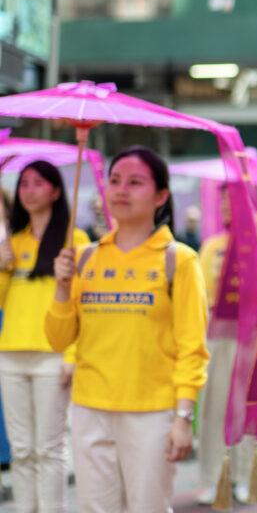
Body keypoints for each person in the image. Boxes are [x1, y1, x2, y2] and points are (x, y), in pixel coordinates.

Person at [45, 146, 209, 512]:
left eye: (135, 183)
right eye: (115, 181)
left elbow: (192, 347)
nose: (121, 190)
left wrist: (183, 418)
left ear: (161, 196)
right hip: (90, 408)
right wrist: (60, 287)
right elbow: (59, 338)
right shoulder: (86, 257)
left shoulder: (178, 260)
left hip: (152, 412)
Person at [0, 161, 90, 512]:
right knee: (21, 451)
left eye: (38, 183)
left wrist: (72, 355)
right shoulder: (13, 242)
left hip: (54, 355)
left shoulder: (76, 241)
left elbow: (85, 305)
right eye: (23, 184)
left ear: (55, 191)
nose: (29, 190)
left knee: (49, 449)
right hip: (10, 355)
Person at [195, 191, 252, 506]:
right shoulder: (212, 247)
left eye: (235, 200)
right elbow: (200, 295)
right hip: (217, 337)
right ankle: (211, 478)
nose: (229, 206)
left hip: (249, 339)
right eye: (225, 201)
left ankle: (242, 476)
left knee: (243, 409)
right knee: (213, 409)